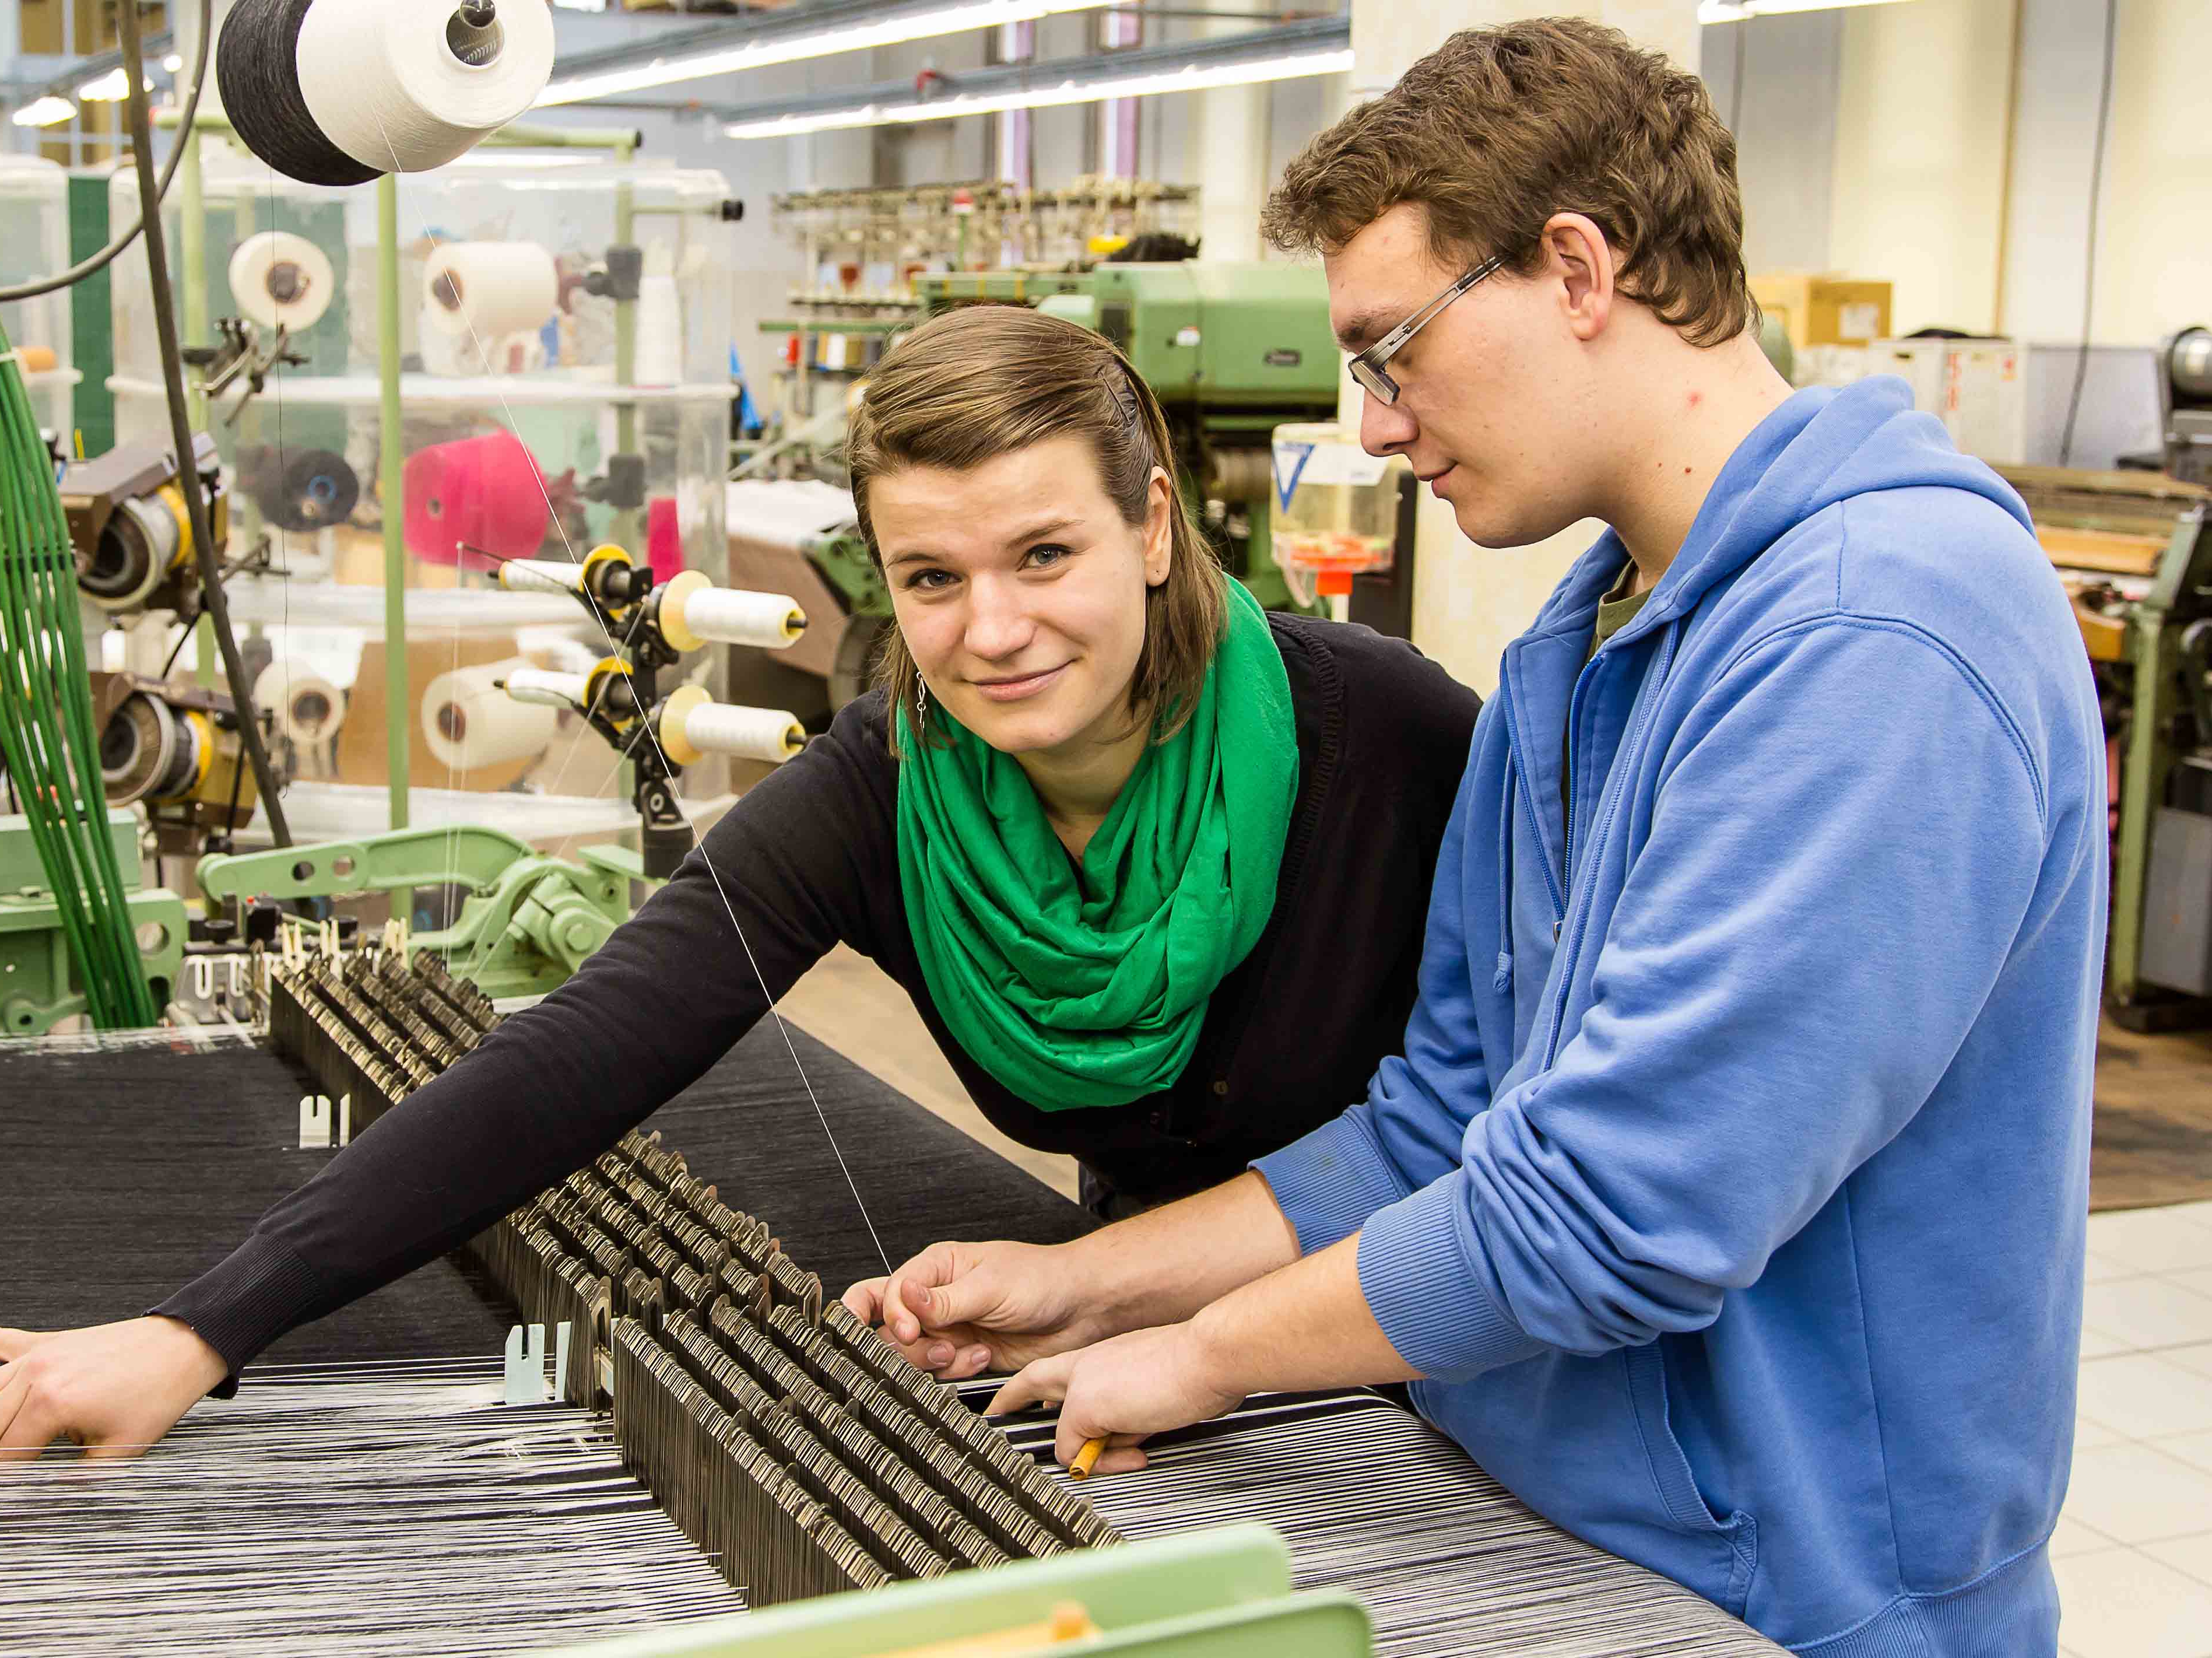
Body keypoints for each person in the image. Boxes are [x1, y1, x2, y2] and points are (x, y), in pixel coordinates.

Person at [851, 21, 2102, 1657]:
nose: (1372, 426)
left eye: (1392, 351)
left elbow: (1616, 1211)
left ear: (1576, 268)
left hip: (1781, 1601)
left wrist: (1207, 1350)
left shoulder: (1879, 639)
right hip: (1524, 1519)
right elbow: (1439, 1120)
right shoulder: (1573, 660)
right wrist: (1092, 1285)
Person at [0, 304, 1483, 1464]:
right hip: (1134, 1364)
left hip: (1436, 1368)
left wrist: (1118, 1302)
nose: (990, 630)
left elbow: (1508, 1135)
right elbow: (578, 1056)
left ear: (1152, 527)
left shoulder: (1393, 740)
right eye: (932, 577)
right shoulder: (890, 796)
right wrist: (202, 1327)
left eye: (1043, 557)